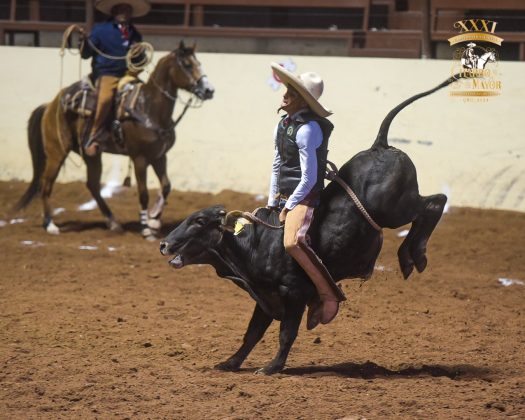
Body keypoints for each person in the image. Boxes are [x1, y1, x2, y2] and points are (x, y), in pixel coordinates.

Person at [268, 62, 346, 330]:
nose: (285, 94)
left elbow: (309, 178)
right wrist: (271, 201)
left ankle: (329, 294)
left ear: (303, 100)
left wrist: (289, 206)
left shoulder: (308, 129)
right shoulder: (284, 125)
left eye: (292, 91)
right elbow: (277, 165)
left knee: (292, 242)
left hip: (304, 196)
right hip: (284, 194)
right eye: (287, 89)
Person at [79, 0, 150, 156]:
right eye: (119, 9)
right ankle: (94, 136)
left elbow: (138, 61)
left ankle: (139, 135)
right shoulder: (100, 30)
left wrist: (138, 53)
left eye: (126, 9)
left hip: (128, 75)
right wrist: (84, 41)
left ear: (130, 13)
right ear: (113, 12)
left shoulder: (135, 34)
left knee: (144, 96)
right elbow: (85, 55)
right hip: (106, 73)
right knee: (105, 99)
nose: (123, 13)